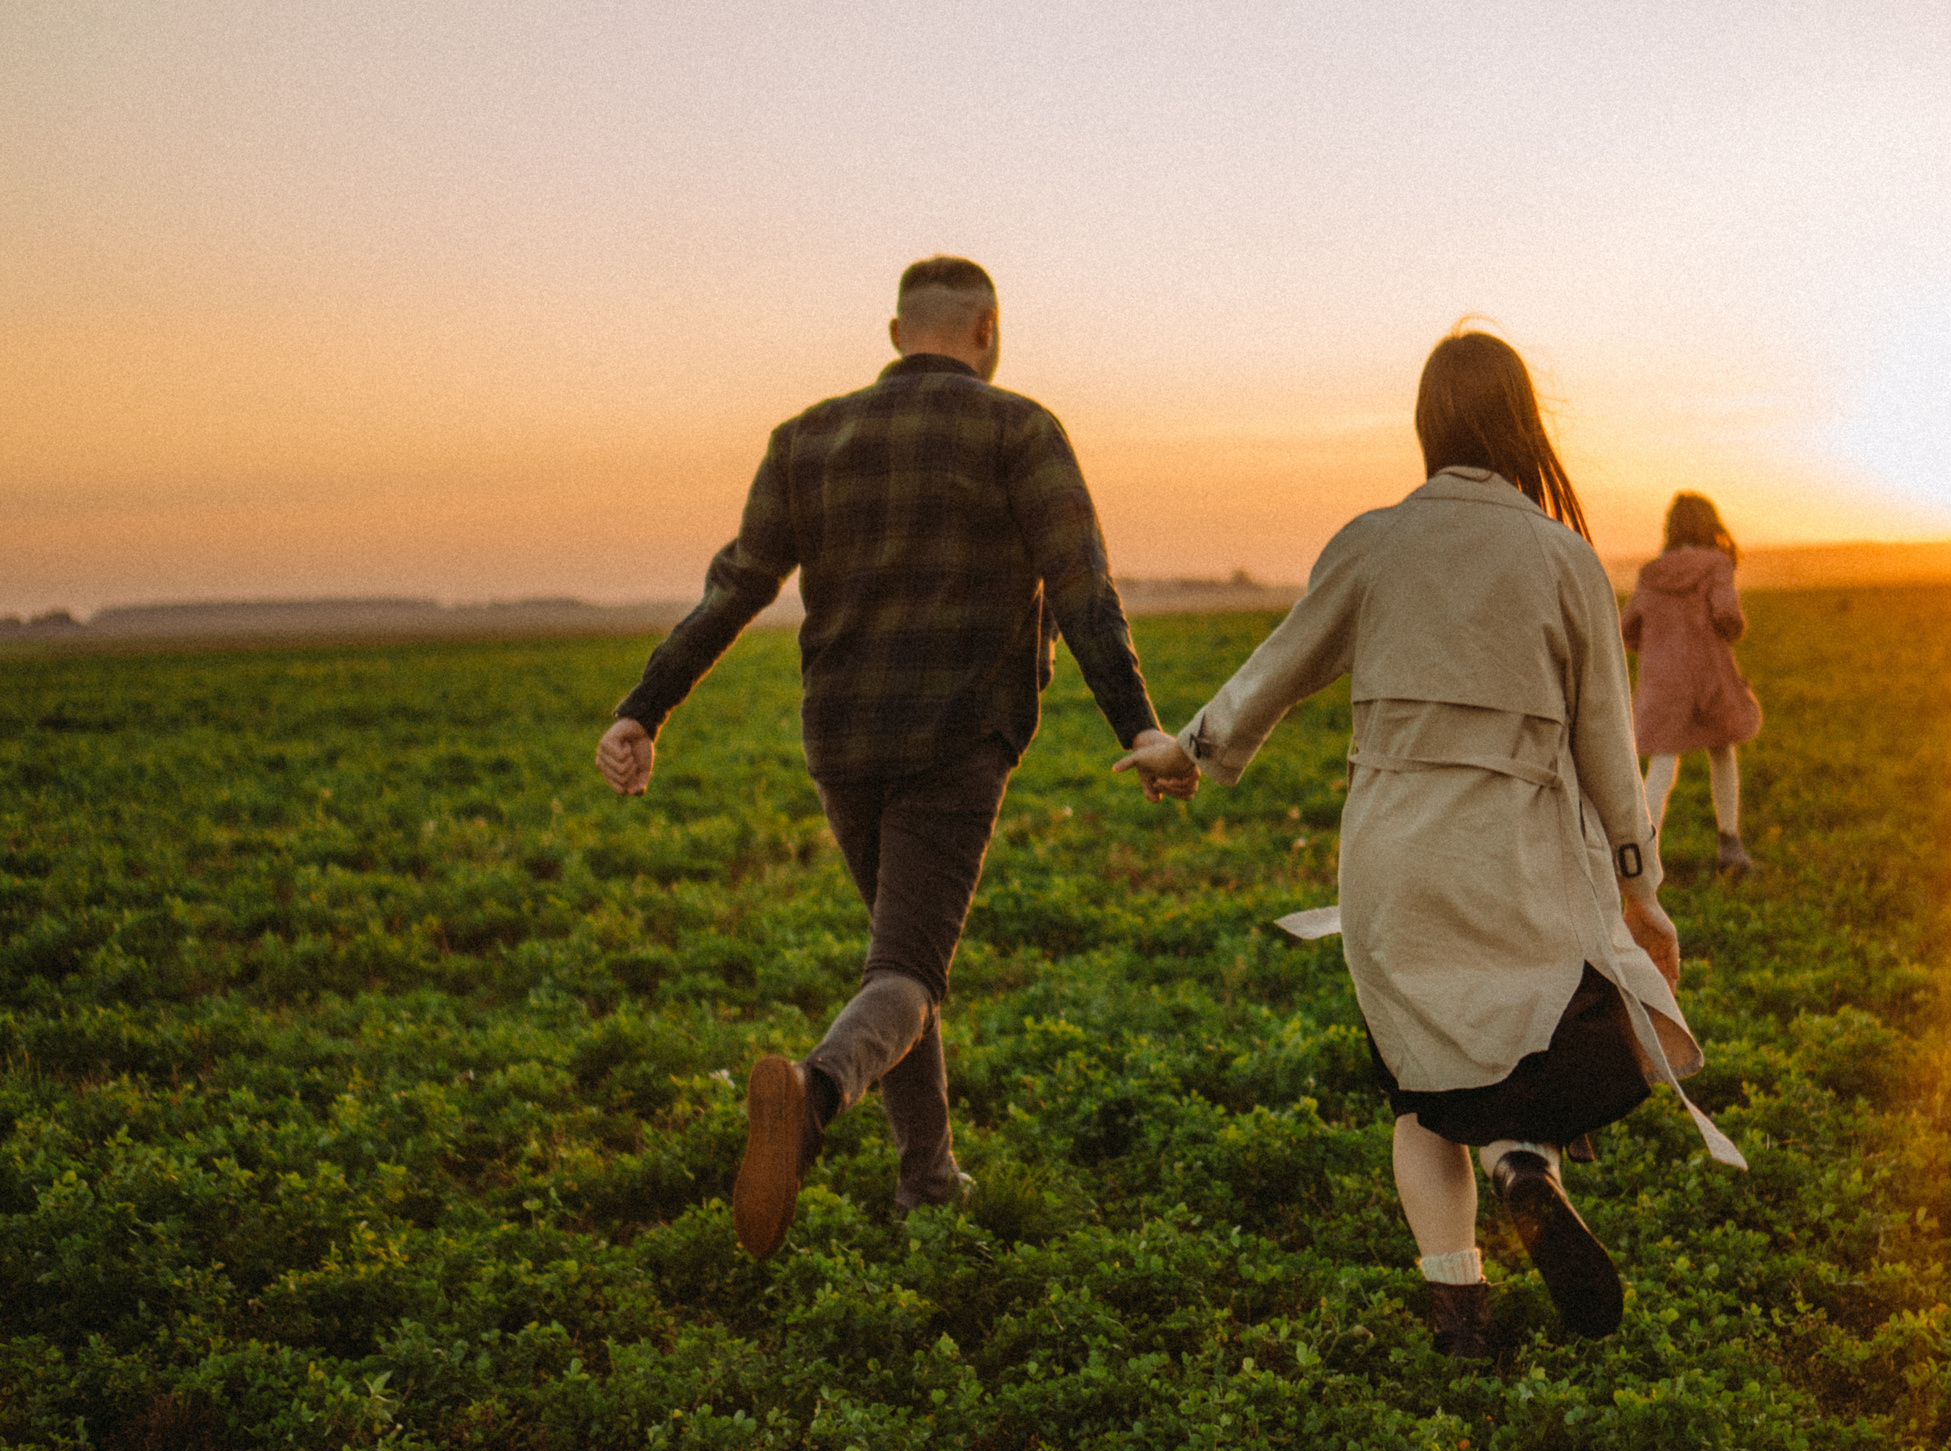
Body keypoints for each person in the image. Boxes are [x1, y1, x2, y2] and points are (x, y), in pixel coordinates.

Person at [595, 256, 1200, 1258]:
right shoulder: (1019, 429)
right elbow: (1081, 584)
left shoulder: (806, 438)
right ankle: (814, 1094)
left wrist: (643, 710)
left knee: (900, 955)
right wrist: (1137, 725)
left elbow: (736, 585)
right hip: (957, 734)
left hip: (841, 738)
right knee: (910, 967)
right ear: (987, 329)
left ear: (894, 335)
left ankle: (928, 1180)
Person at [1171, 330, 1729, 1359]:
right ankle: (1524, 1163)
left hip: (1393, 858)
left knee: (1425, 1090)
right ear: (1525, 426)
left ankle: (1459, 1311)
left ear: (1428, 424)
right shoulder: (1564, 557)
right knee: (1527, 1050)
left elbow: (1277, 668)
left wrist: (1190, 749)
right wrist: (1640, 886)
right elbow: (1610, 750)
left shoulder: (1372, 542)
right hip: (1519, 857)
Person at [1620, 491, 1763, 875]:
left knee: (1661, 769)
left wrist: (1660, 647)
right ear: (1707, 524)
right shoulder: (1716, 564)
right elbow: (1728, 615)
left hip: (1662, 685)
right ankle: (1729, 843)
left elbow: (1628, 628)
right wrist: (1730, 631)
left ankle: (1644, 859)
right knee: (1722, 753)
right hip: (1708, 680)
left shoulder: (1652, 573)